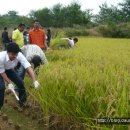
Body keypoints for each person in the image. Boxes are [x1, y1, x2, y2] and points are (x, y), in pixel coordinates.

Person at [0, 43, 39, 110]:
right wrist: (9, 83)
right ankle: (0, 107)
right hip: (1, 70)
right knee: (1, 87)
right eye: (12, 54)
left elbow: (28, 67)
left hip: (8, 69)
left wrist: (34, 80)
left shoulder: (19, 55)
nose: (15, 56)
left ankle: (23, 103)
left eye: (16, 54)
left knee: (20, 82)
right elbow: (2, 72)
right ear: (7, 52)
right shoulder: (1, 57)